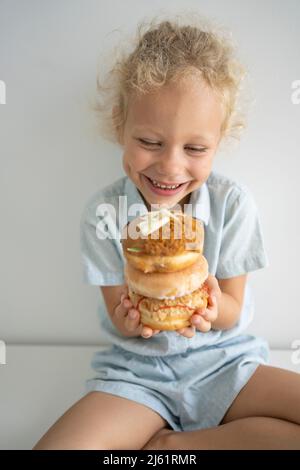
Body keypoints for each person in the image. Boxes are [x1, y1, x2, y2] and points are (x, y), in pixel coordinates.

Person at [33, 13, 300, 450]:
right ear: (121, 125)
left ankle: (174, 449)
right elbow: (120, 316)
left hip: (227, 366)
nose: (170, 166)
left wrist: (215, 309)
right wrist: (129, 319)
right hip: (139, 376)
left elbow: (233, 307)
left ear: (218, 141)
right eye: (150, 142)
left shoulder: (232, 205)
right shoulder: (104, 213)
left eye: (194, 148)